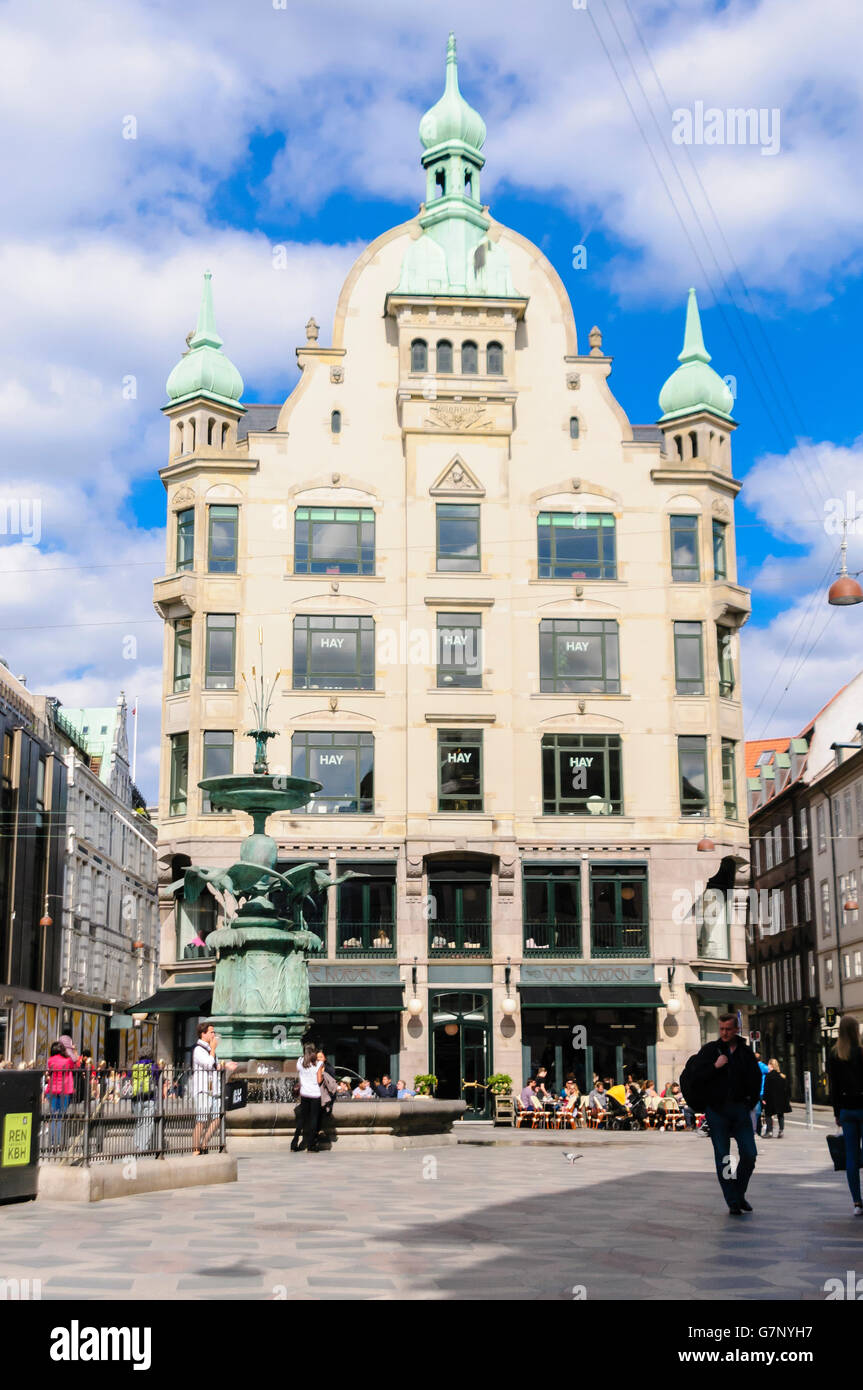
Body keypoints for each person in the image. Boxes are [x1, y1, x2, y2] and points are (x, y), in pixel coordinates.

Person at [686, 1013, 762, 1215]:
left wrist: (749, 1104)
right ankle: (733, 1200)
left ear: (737, 1029)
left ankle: (738, 1192)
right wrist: (715, 1066)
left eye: (728, 1029)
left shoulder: (745, 1053)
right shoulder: (710, 1051)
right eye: (721, 1029)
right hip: (717, 1111)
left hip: (739, 1110)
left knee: (750, 1154)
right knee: (724, 1157)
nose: (725, 1033)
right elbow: (696, 1078)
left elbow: (755, 1082)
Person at [828, 1014, 863, 1215]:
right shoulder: (861, 1052)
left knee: (851, 1157)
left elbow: (834, 1087)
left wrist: (837, 1112)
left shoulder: (835, 1054)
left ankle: (857, 1202)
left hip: (846, 1110)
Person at [191, 1022, 236, 1155]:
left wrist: (226, 1065)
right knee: (202, 1120)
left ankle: (204, 1143)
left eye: (214, 1032)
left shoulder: (210, 1050)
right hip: (203, 1090)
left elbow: (215, 1065)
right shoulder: (199, 1049)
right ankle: (195, 1148)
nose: (214, 1035)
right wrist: (214, 1049)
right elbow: (208, 1063)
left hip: (214, 1090)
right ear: (203, 1034)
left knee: (217, 1118)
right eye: (211, 1032)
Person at [291, 1043, 324, 1154]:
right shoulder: (319, 1063)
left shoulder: (300, 1061)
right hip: (315, 1094)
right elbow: (319, 1080)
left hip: (304, 1094)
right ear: (314, 1052)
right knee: (313, 1119)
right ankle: (311, 1145)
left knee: (302, 1118)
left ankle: (294, 1143)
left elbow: (300, 1073)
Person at [45, 1041, 74, 1146]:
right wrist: (72, 1051)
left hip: (52, 1090)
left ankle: (52, 1142)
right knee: (60, 1117)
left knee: (53, 1116)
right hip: (64, 1091)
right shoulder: (67, 1060)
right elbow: (73, 1065)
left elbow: (49, 1072)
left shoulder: (50, 1060)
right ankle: (57, 1142)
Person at [763, 1059, 791, 1138]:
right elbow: (788, 1089)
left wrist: (764, 1099)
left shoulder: (768, 1076)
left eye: (768, 1064)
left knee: (768, 1114)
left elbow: (766, 1089)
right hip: (781, 1100)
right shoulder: (782, 1076)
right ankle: (781, 1131)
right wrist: (787, 1099)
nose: (767, 1066)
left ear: (771, 1065)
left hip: (771, 1099)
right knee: (780, 1115)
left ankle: (769, 1131)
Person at [752, 1052, 770, 1135]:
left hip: (755, 1092)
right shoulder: (763, 1066)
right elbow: (770, 1072)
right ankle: (766, 1129)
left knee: (756, 1112)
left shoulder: (751, 1066)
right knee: (765, 1111)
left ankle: (756, 1130)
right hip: (763, 1092)